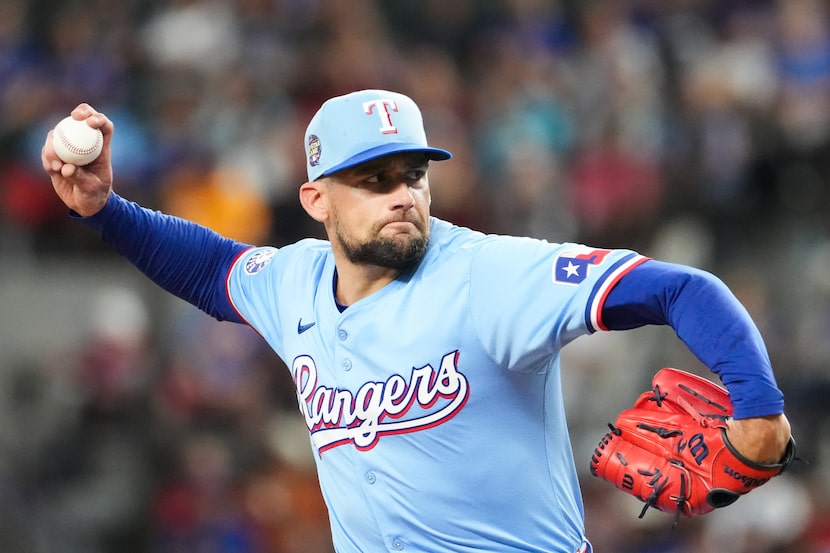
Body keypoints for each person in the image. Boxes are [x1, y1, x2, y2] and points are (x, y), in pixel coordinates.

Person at [42, 90, 792, 553]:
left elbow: (683, 288)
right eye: (373, 179)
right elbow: (209, 268)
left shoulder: (490, 274)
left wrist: (759, 410)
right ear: (316, 202)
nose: (402, 194)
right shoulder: (296, 281)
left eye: (413, 175)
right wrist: (104, 210)